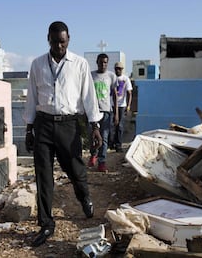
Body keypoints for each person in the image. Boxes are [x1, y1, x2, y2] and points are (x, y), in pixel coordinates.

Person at [24, 21, 103, 247]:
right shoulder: (37, 64)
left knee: (76, 169)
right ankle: (46, 224)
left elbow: (89, 96)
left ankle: (84, 197)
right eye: (55, 41)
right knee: (43, 175)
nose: (59, 46)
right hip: (44, 124)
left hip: (69, 125)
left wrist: (95, 125)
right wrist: (29, 128)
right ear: (48, 39)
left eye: (63, 41)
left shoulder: (79, 64)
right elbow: (32, 97)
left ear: (69, 40)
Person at [88, 53, 118, 172]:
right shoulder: (91, 76)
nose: (103, 64)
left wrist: (116, 112)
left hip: (106, 111)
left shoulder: (111, 76)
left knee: (104, 137)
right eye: (101, 62)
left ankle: (102, 162)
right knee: (92, 136)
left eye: (105, 62)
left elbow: (115, 95)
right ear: (97, 62)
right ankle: (93, 154)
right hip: (93, 112)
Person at [109, 62, 133, 152]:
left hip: (121, 105)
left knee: (120, 125)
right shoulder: (111, 77)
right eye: (116, 68)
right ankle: (111, 143)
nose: (118, 70)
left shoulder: (125, 79)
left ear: (122, 69)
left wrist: (129, 105)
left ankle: (118, 145)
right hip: (111, 104)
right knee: (110, 125)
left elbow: (129, 93)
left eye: (119, 69)